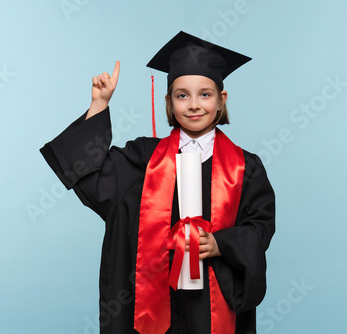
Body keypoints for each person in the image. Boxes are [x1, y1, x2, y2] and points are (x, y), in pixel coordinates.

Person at [40, 31, 275, 334]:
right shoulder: (145, 158)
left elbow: (259, 226)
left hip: (214, 295)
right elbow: (93, 178)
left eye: (205, 94)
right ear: (169, 101)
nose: (193, 105)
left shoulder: (246, 167)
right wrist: (99, 104)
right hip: (154, 297)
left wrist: (220, 244)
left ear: (221, 100)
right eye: (182, 95)